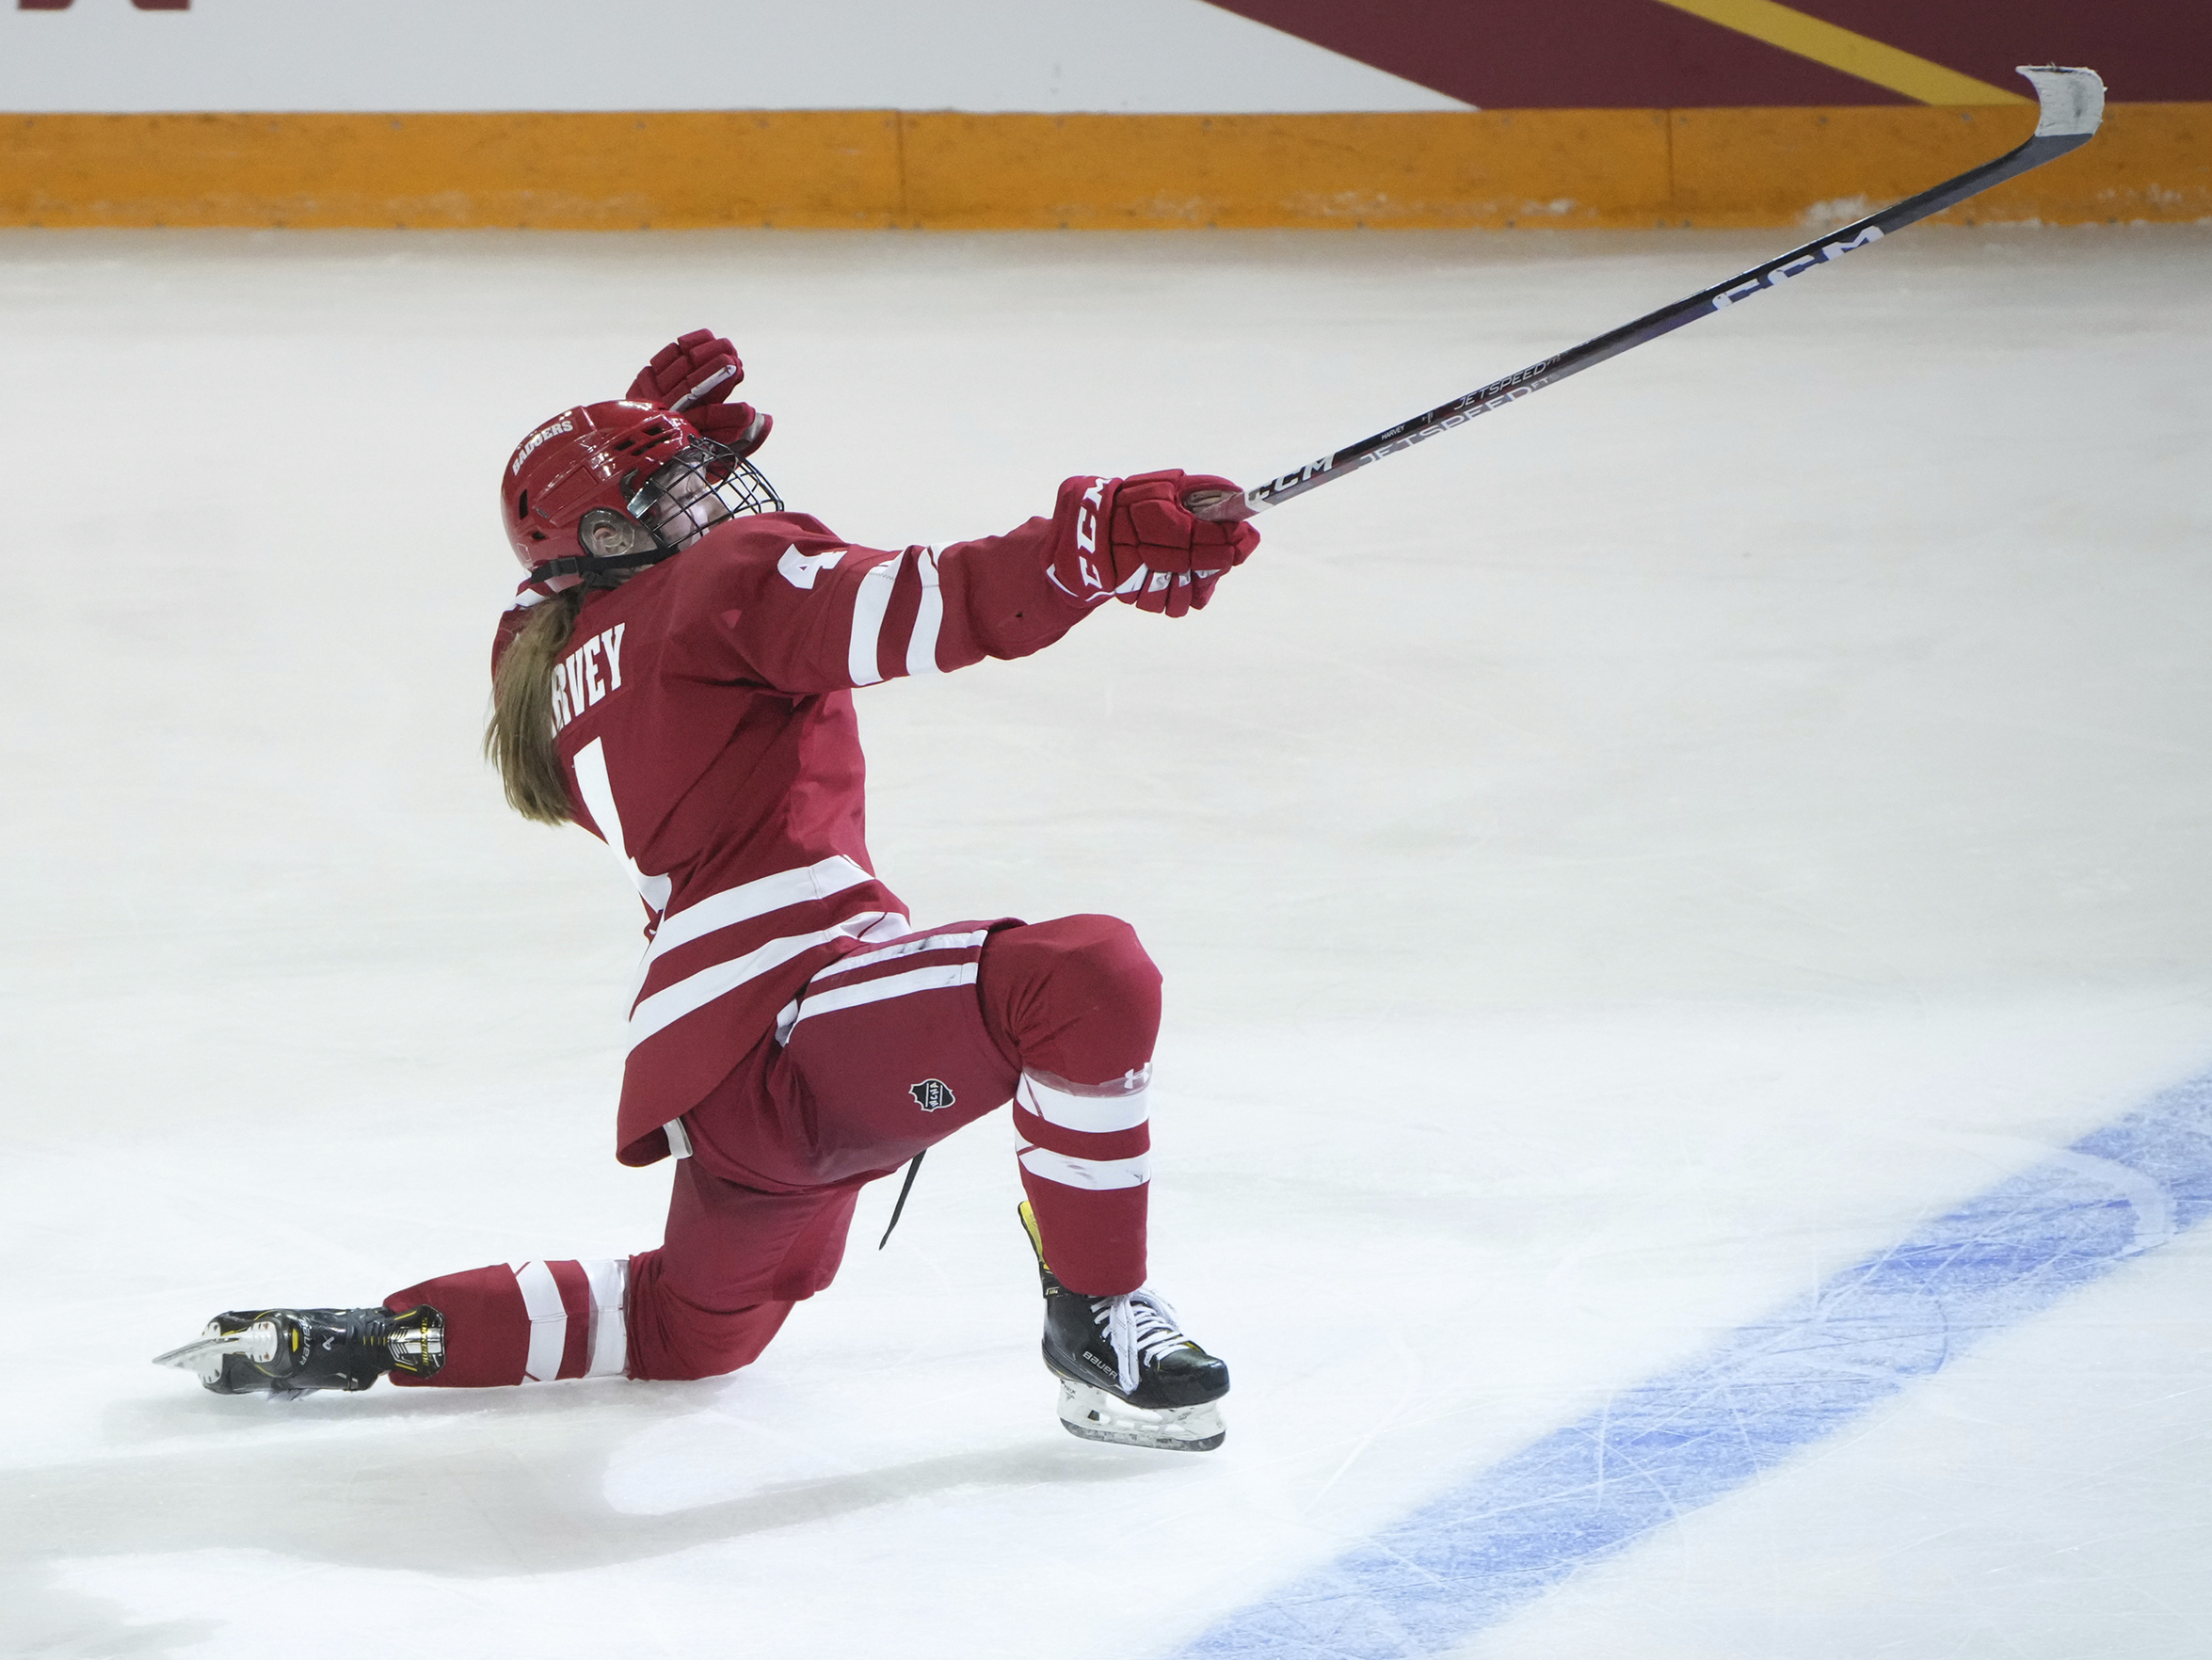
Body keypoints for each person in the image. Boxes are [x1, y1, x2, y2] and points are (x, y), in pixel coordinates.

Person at [153, 330, 1260, 1452]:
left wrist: (390, 1339)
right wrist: (1084, 550)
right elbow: (935, 600)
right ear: (608, 534)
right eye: (673, 492)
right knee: (1083, 981)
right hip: (801, 1018)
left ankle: (352, 1341)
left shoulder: (539, 665)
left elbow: (558, 594)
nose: (713, 499)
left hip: (721, 1086)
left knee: (688, 1330)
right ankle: (1100, 1316)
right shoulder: (722, 585)